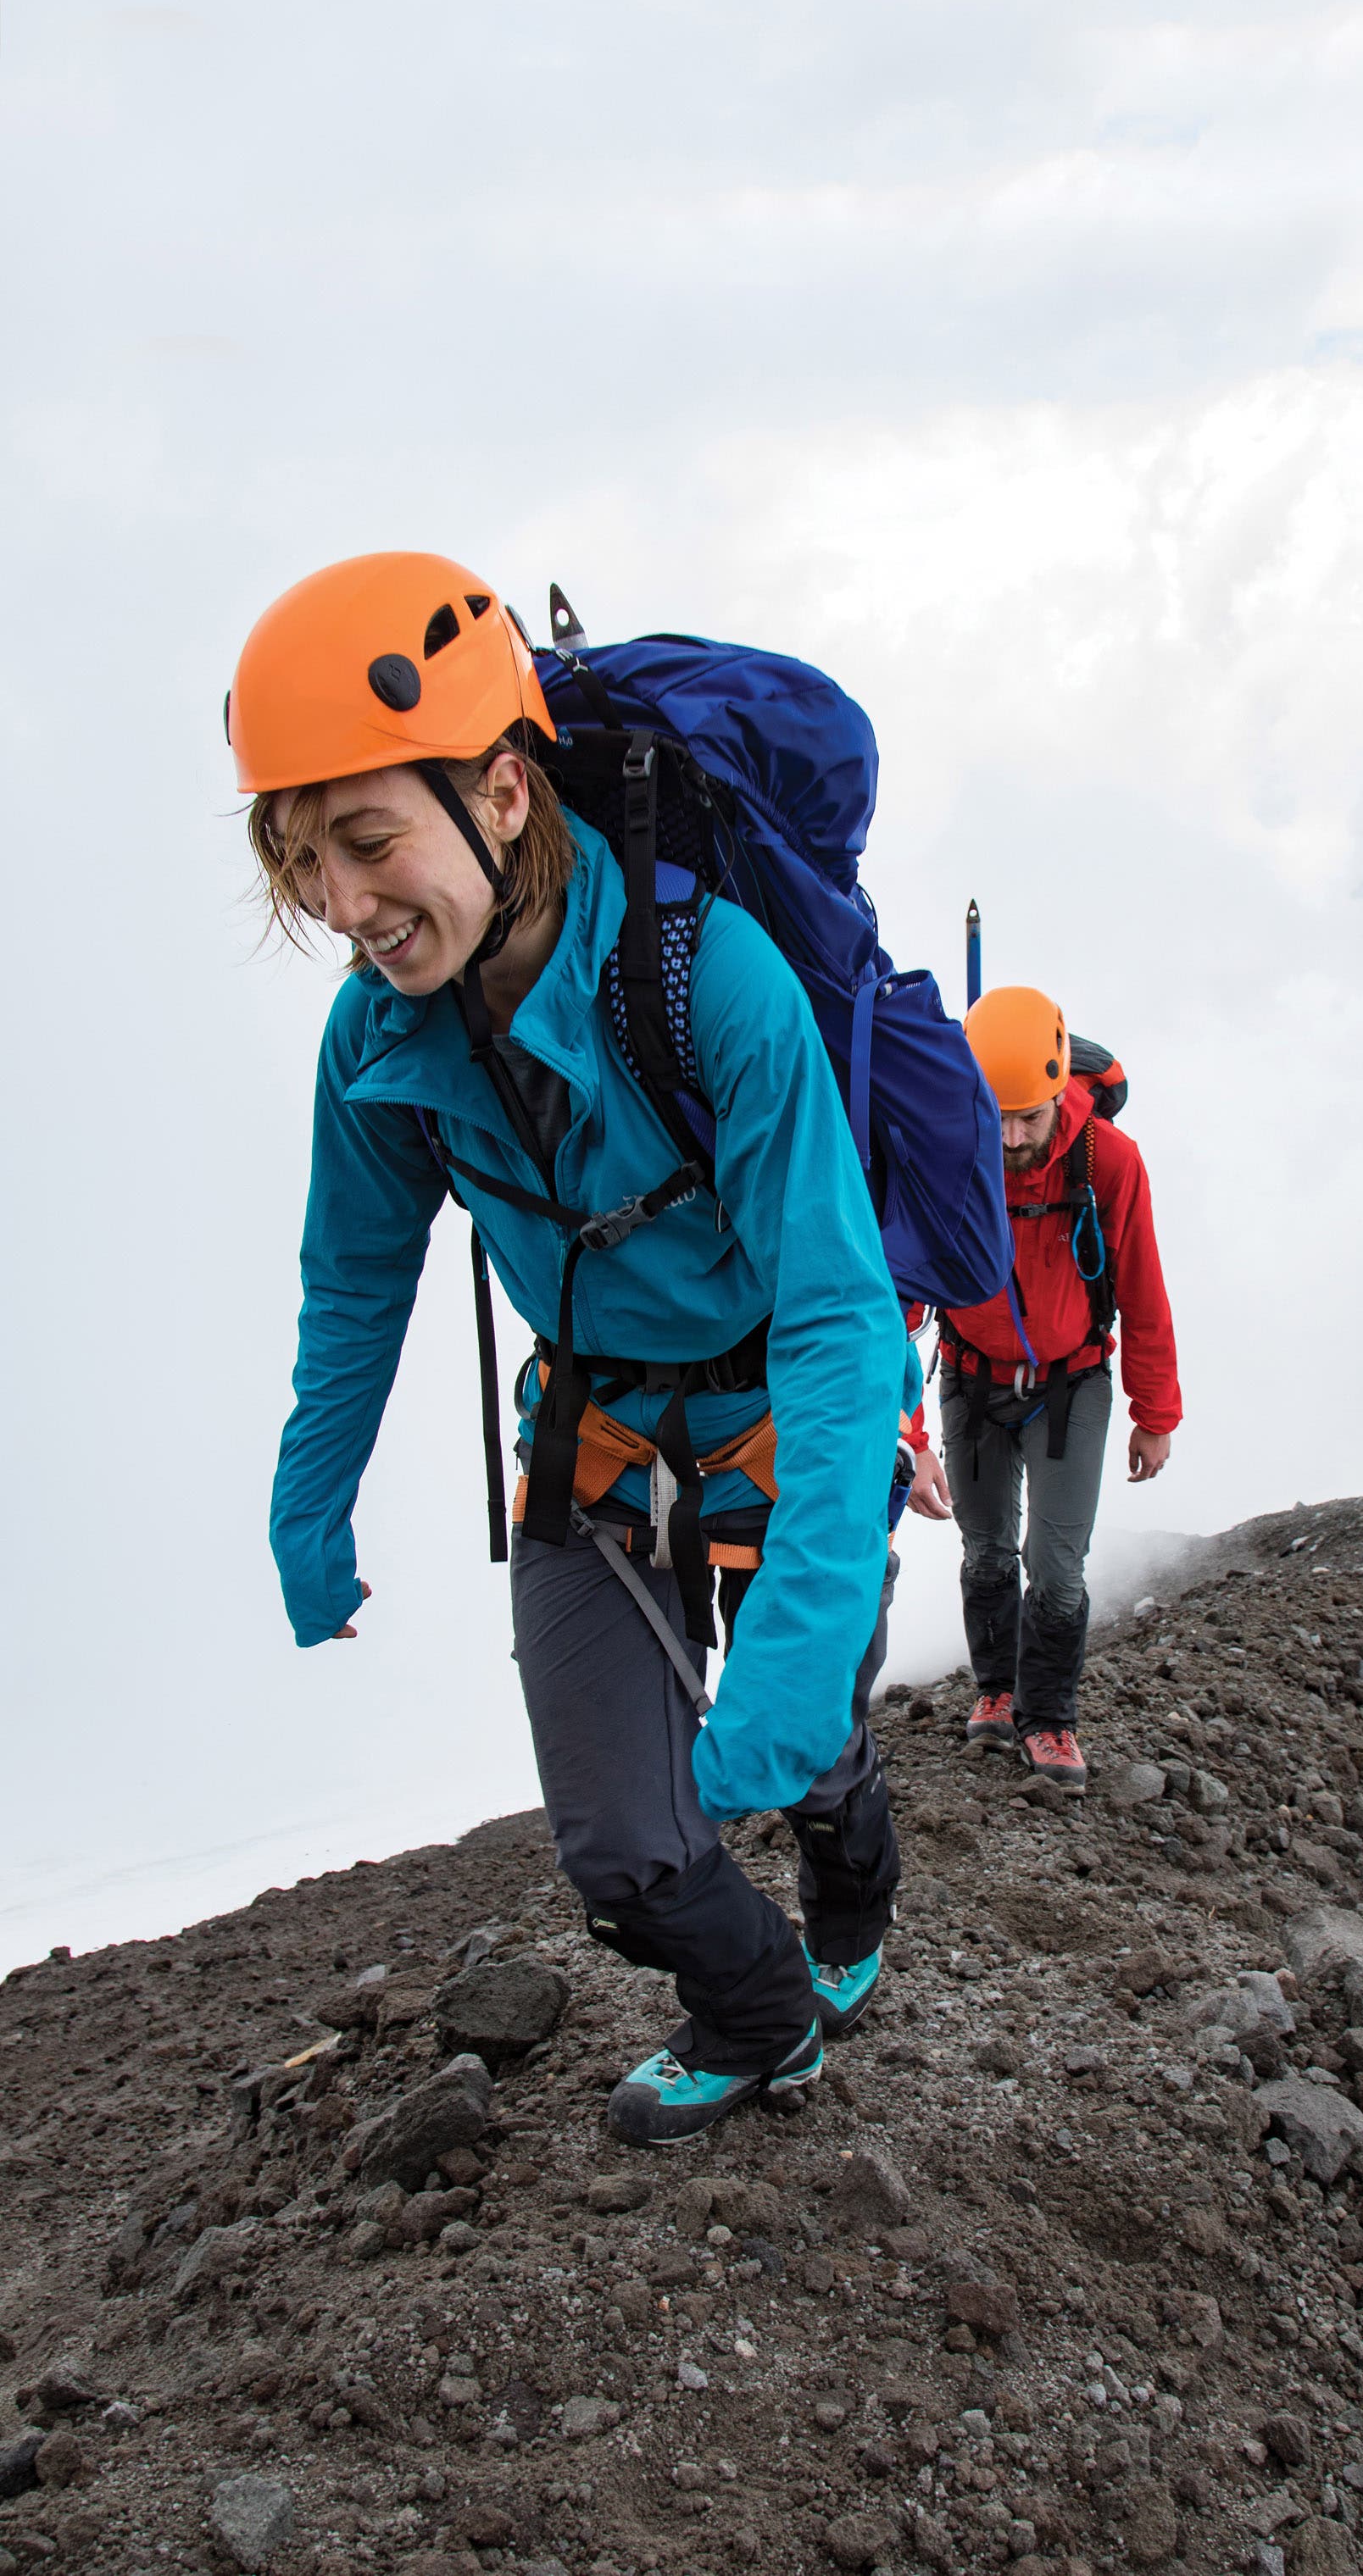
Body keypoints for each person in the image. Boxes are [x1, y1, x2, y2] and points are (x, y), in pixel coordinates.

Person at [231, 552, 913, 2144]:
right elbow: (356, 1280)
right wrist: (310, 1498)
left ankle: (851, 1871)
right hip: (592, 1433)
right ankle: (761, 2019)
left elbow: (835, 1309)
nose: (341, 905)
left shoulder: (711, 981)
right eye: (302, 859)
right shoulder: (379, 1032)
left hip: (777, 1410)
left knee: (805, 1746)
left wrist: (805, 1630)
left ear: (503, 791)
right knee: (620, 1846)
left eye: (368, 841)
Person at [931, 984, 1182, 1795]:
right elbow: (897, 1287)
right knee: (985, 1551)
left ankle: (1049, 1717)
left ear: (1056, 1093)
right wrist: (899, 1421)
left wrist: (1155, 1413)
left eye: (1028, 1118)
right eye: (997, 1116)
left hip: (1072, 1383)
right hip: (971, 1379)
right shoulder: (945, 1150)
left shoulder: (1107, 1159)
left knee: (1057, 1565)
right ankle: (997, 1691)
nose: (1011, 1137)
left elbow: (1142, 1289)